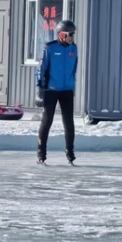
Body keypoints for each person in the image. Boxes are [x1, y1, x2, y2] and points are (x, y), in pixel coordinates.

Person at [35, 19, 78, 165]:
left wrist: (73, 85)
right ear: (61, 34)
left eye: (73, 34)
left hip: (66, 90)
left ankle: (70, 151)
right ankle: (41, 152)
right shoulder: (50, 48)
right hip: (51, 90)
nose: (72, 37)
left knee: (69, 122)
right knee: (47, 121)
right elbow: (41, 68)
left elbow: (74, 69)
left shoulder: (74, 49)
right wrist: (40, 88)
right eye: (70, 34)